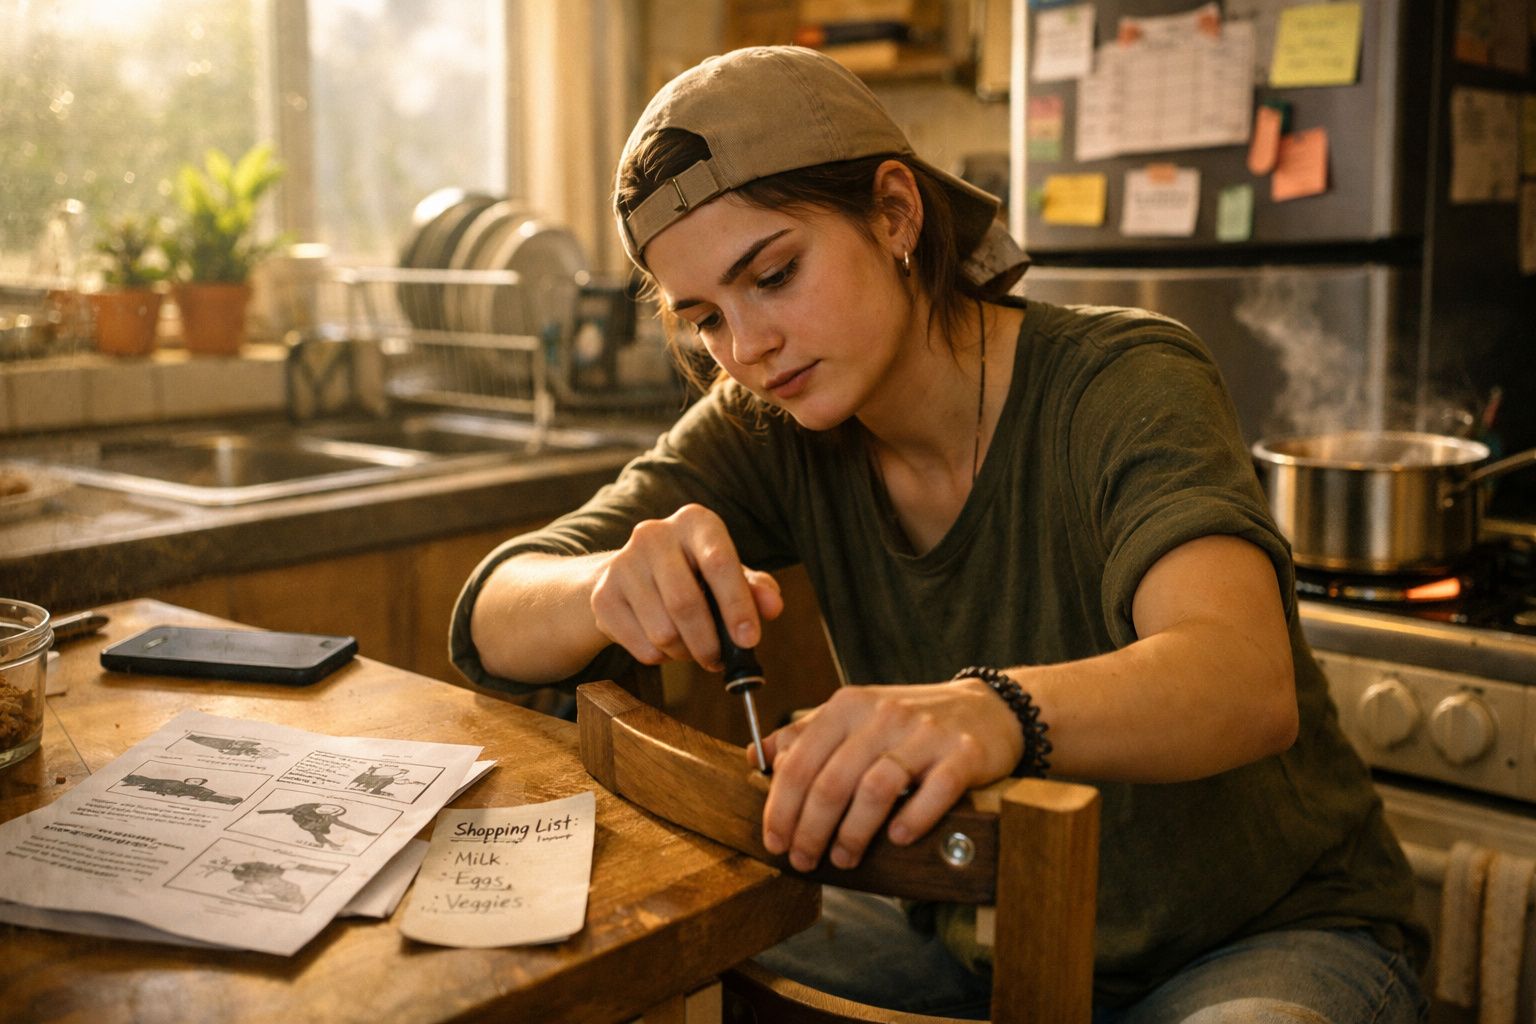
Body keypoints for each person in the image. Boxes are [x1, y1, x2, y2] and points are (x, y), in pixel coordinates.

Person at [450, 45, 1427, 1023]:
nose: (746, 350)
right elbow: (490, 614)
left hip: (1263, 938)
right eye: (704, 318)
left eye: (776, 274)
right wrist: (605, 584)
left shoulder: (1129, 379)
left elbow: (1243, 681)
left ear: (896, 214)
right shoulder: (770, 423)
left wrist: (986, 711)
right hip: (969, 925)